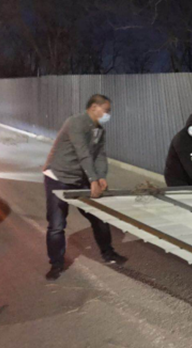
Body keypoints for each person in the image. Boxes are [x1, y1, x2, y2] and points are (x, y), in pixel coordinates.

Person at [43, 94, 126, 281]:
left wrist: (101, 175)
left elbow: (99, 154)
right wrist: (93, 179)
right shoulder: (76, 123)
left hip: (80, 177)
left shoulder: (99, 130)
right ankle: (56, 264)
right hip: (58, 177)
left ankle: (108, 253)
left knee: (98, 216)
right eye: (107, 110)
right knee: (57, 225)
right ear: (94, 107)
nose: (108, 114)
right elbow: (83, 153)